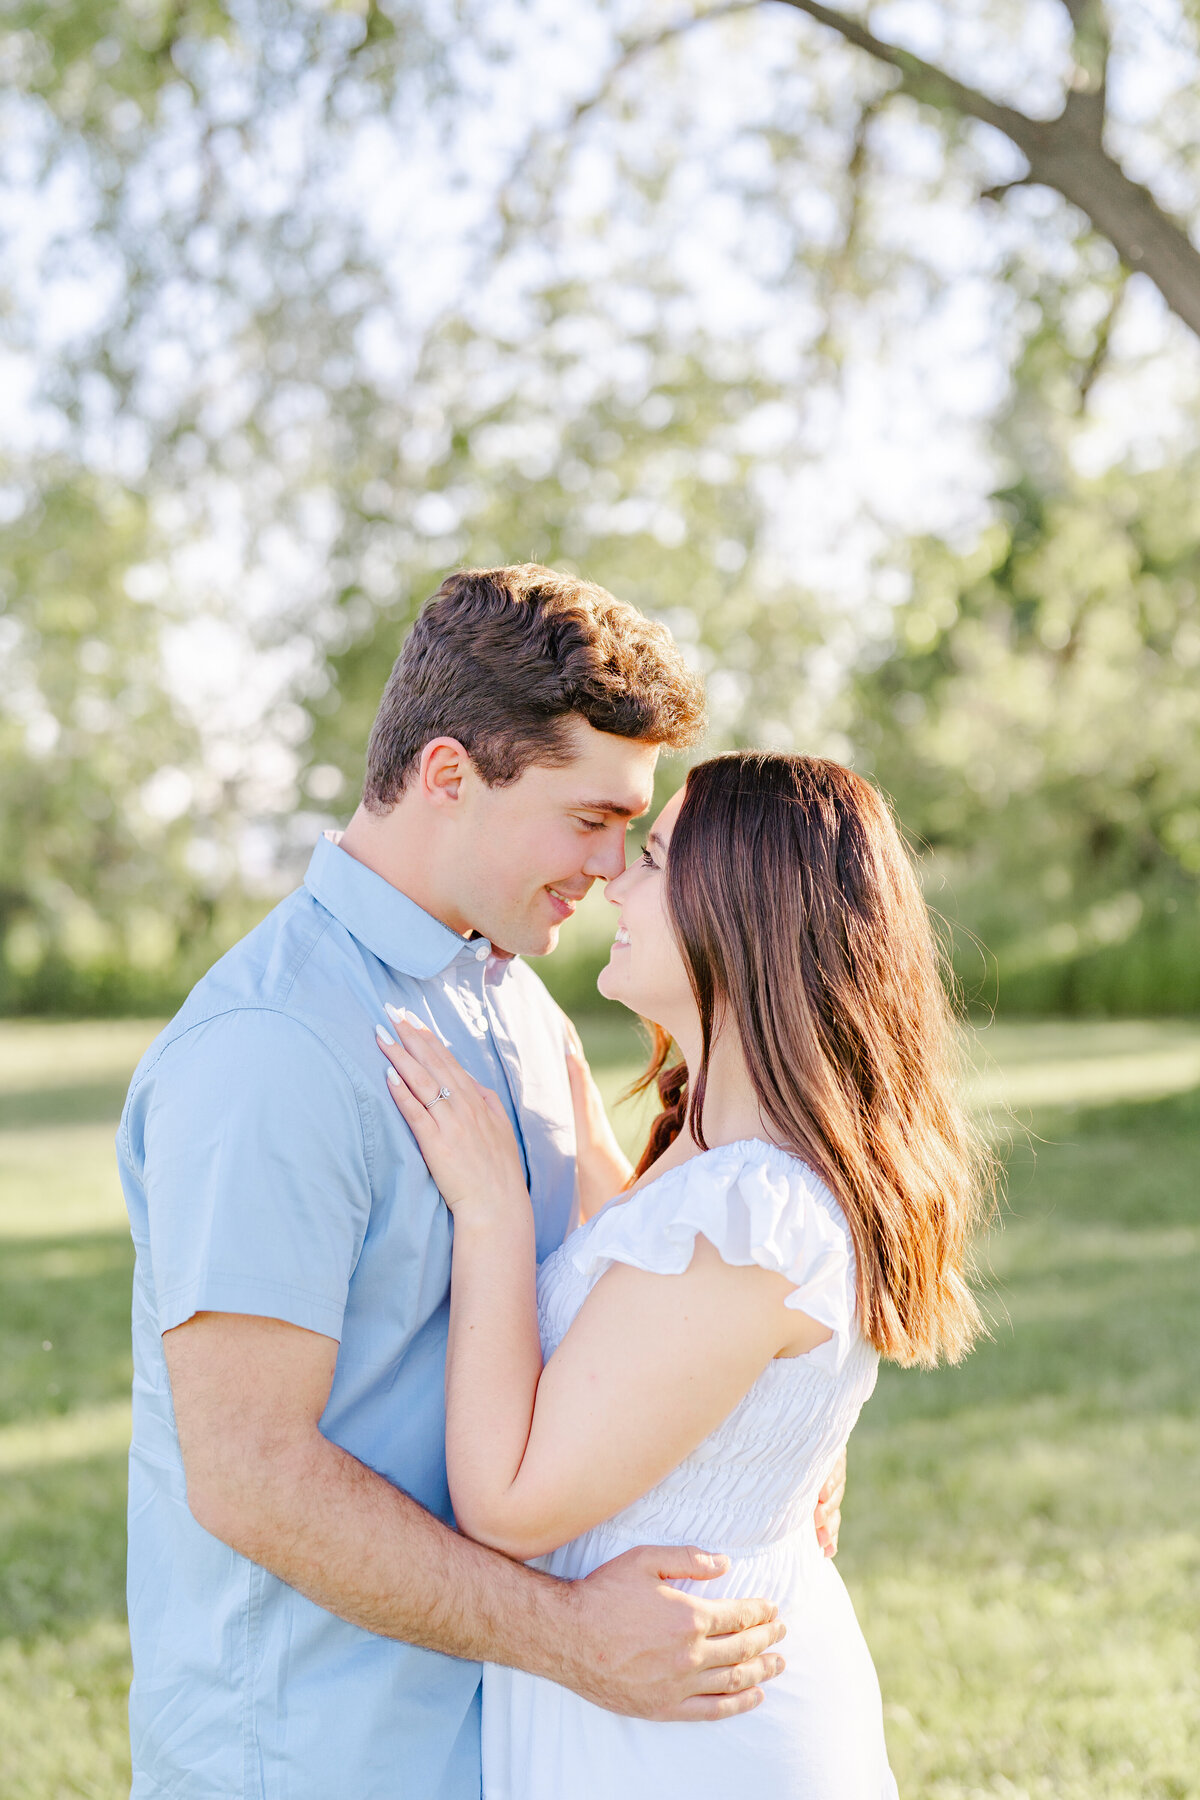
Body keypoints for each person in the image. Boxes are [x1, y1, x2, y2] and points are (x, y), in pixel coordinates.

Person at [116, 566, 846, 1800]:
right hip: (320, 1752)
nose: (618, 869)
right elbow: (249, 1476)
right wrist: (570, 1641)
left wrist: (786, 1437)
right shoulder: (272, 1050)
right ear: (449, 776)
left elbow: (661, 1271)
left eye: (633, 828)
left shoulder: (508, 995)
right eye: (590, 819)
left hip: (516, 1738)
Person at [376, 750, 991, 1800]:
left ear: (741, 910)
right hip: (656, 1712)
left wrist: (490, 1212)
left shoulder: (747, 1219)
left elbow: (513, 1506)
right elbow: (632, 1271)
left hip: (687, 1741)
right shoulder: (713, 1162)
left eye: (654, 858)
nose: (615, 878)